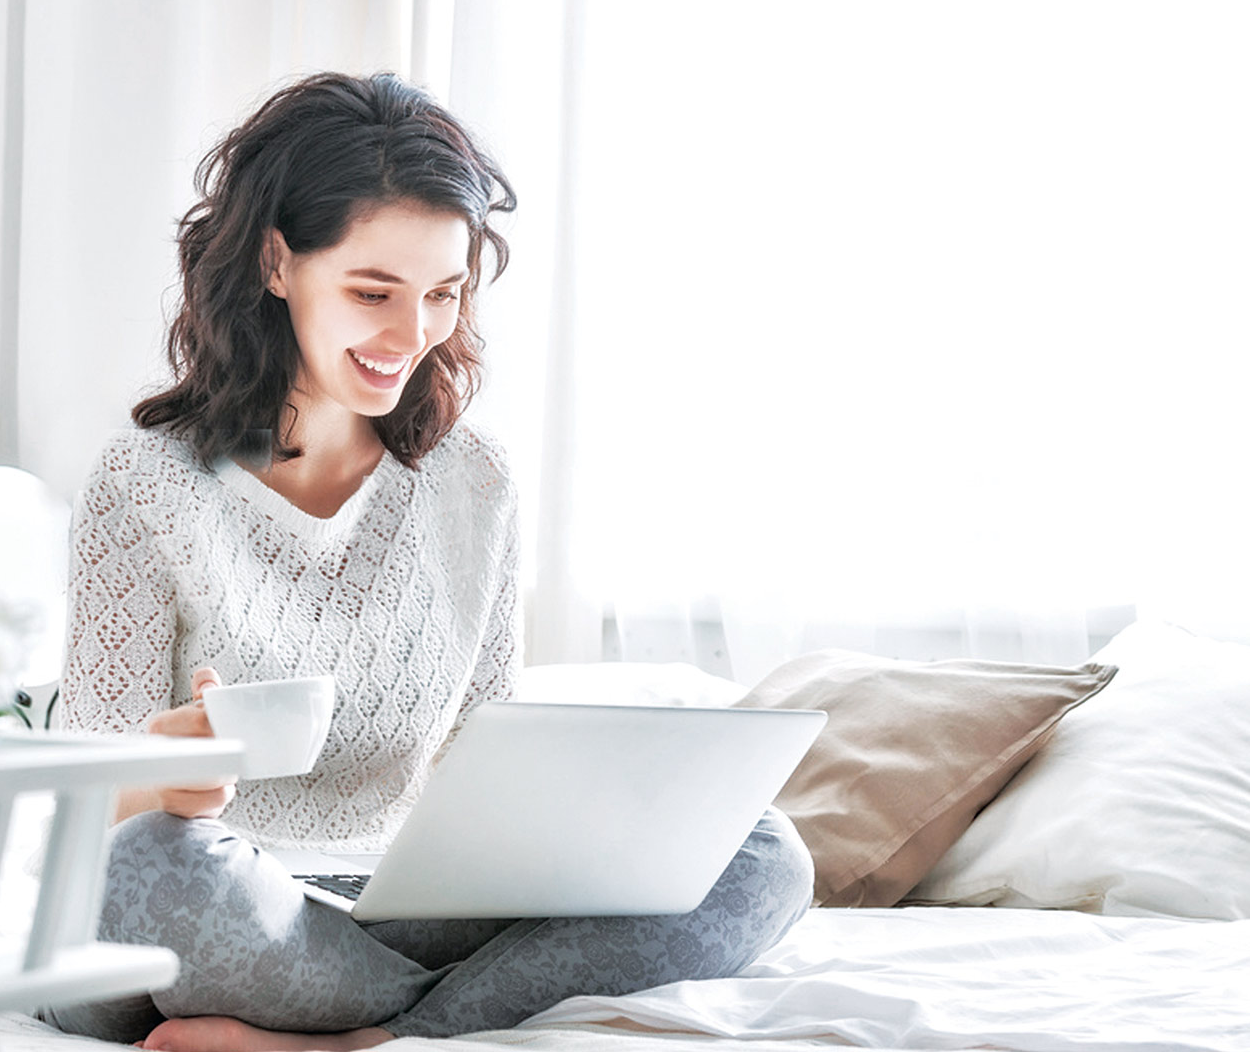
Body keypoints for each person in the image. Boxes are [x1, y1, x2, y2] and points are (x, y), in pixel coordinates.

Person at [41, 71, 815, 1052]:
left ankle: (356, 1041)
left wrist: (574, 827)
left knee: (763, 853)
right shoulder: (145, 482)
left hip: (388, 905)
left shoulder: (474, 485)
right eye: (374, 292)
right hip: (200, 898)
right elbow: (88, 806)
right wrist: (174, 774)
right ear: (277, 263)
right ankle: (443, 1016)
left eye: (443, 295)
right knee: (150, 869)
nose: (413, 337)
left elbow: (477, 763)